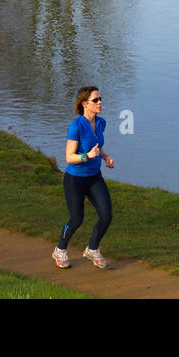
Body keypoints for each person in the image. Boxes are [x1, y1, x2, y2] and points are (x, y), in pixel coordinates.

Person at [52, 85, 115, 269]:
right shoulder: (76, 126)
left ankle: (92, 249)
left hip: (94, 177)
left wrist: (105, 157)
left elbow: (98, 145)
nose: (100, 102)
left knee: (106, 215)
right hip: (75, 180)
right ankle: (60, 250)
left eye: (100, 99)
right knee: (76, 219)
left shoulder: (101, 123)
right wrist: (87, 156)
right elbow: (69, 157)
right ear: (84, 104)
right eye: (96, 100)